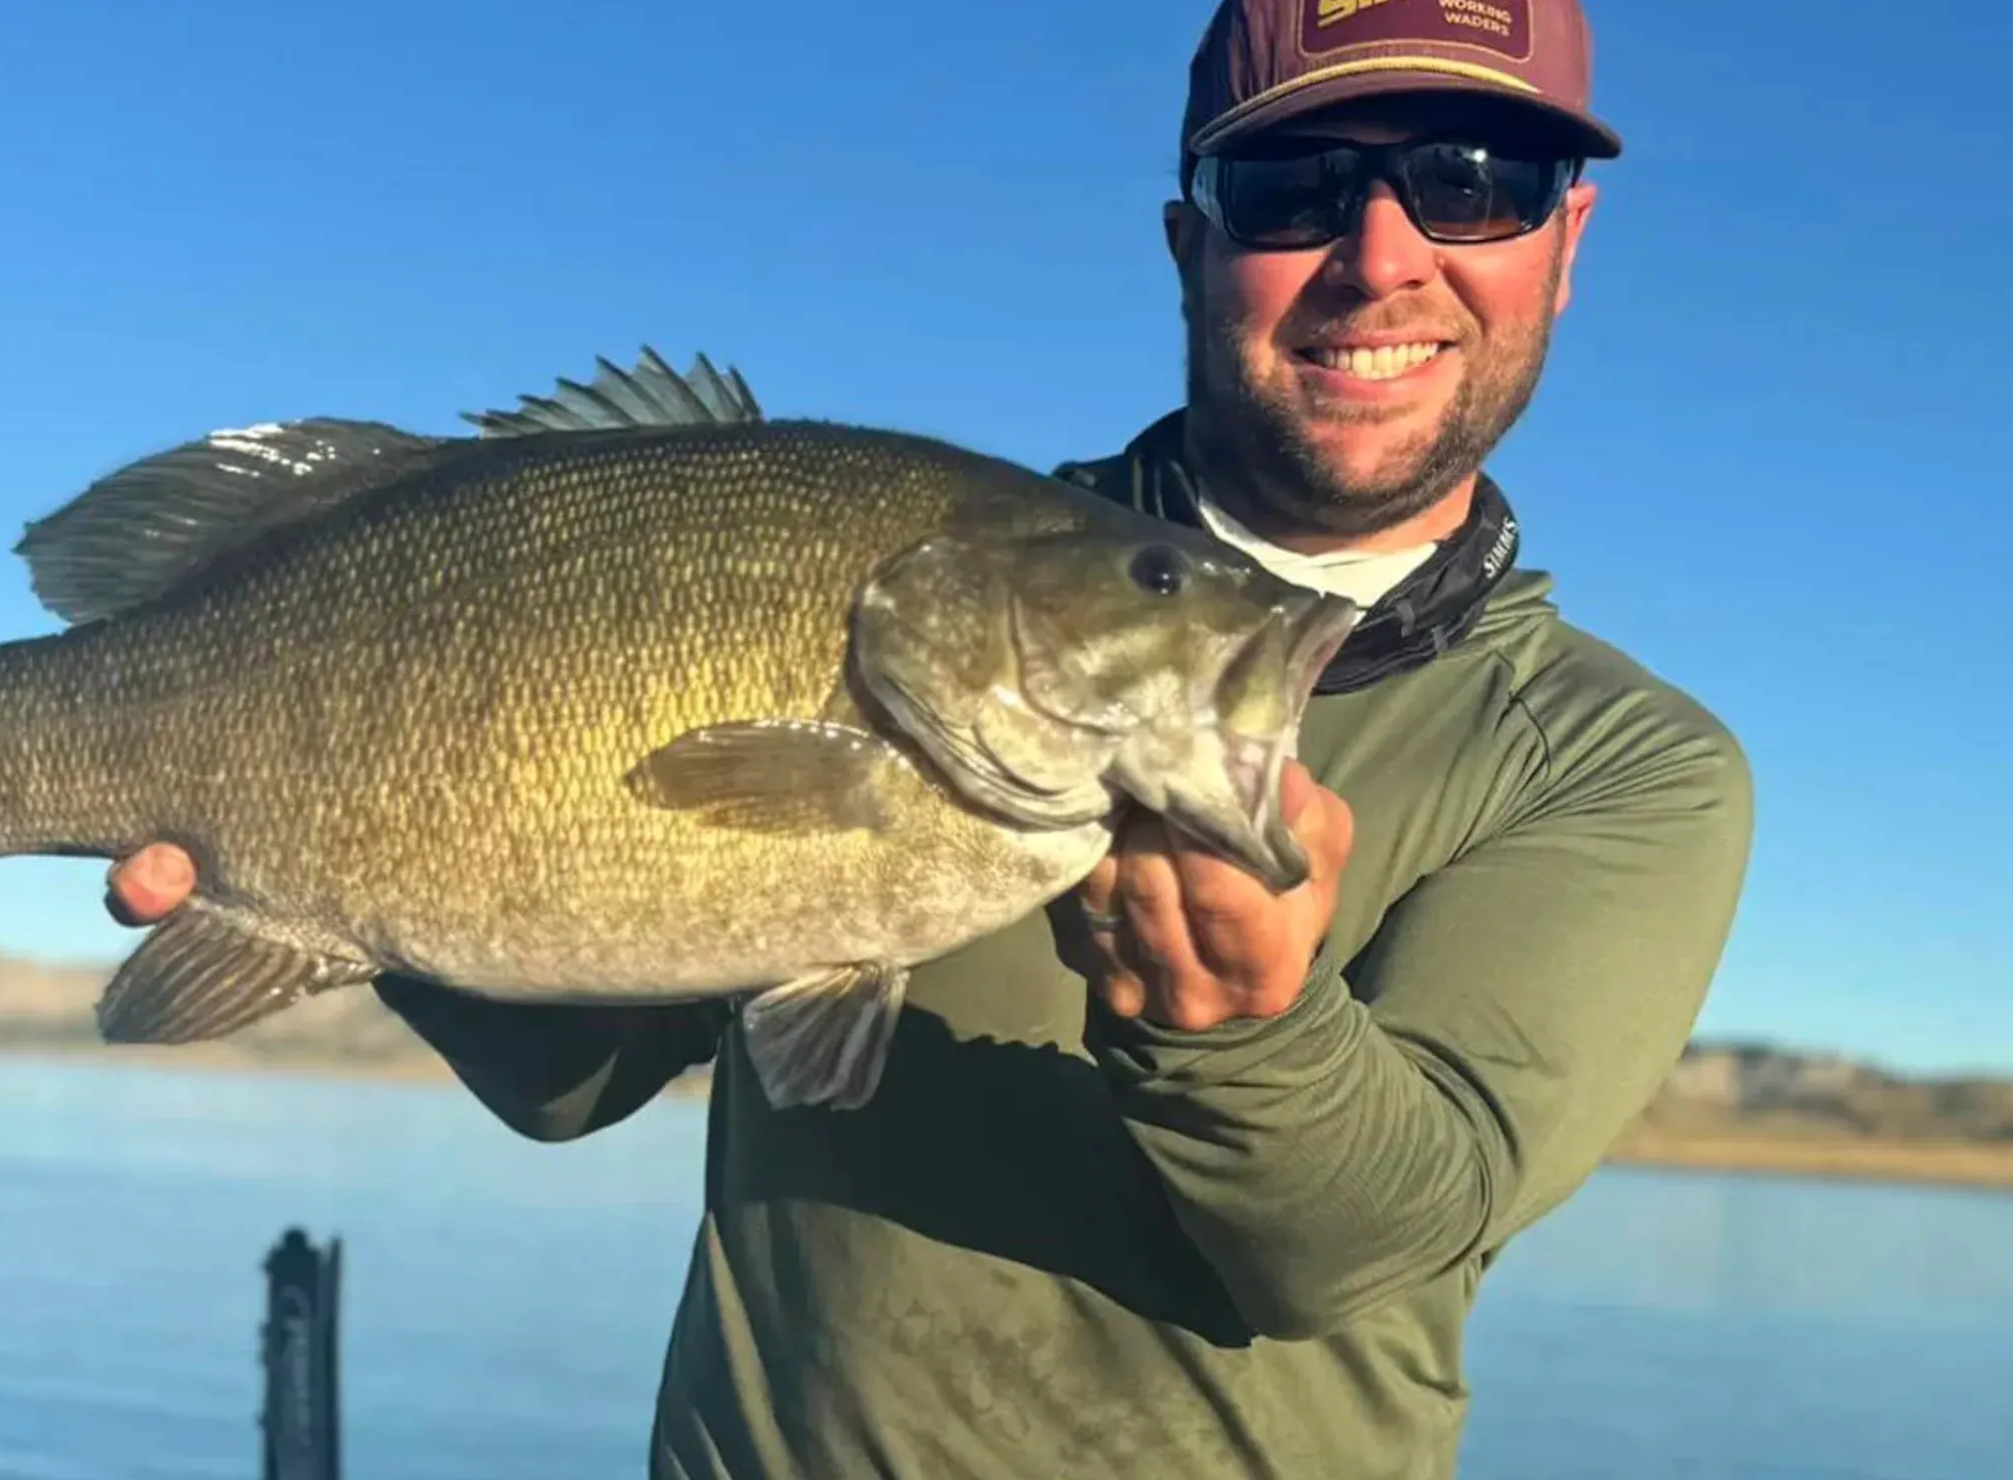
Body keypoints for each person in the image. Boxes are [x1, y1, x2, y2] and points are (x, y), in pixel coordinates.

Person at [108, 0, 1755, 1474]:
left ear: (1567, 237)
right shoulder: (936, 557)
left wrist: (1243, 1032)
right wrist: (328, 857)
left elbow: (1358, 1253)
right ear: (1190, 245)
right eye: (1293, 188)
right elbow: (566, 1080)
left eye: (1473, 176)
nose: (1381, 254)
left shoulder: (1622, 768)